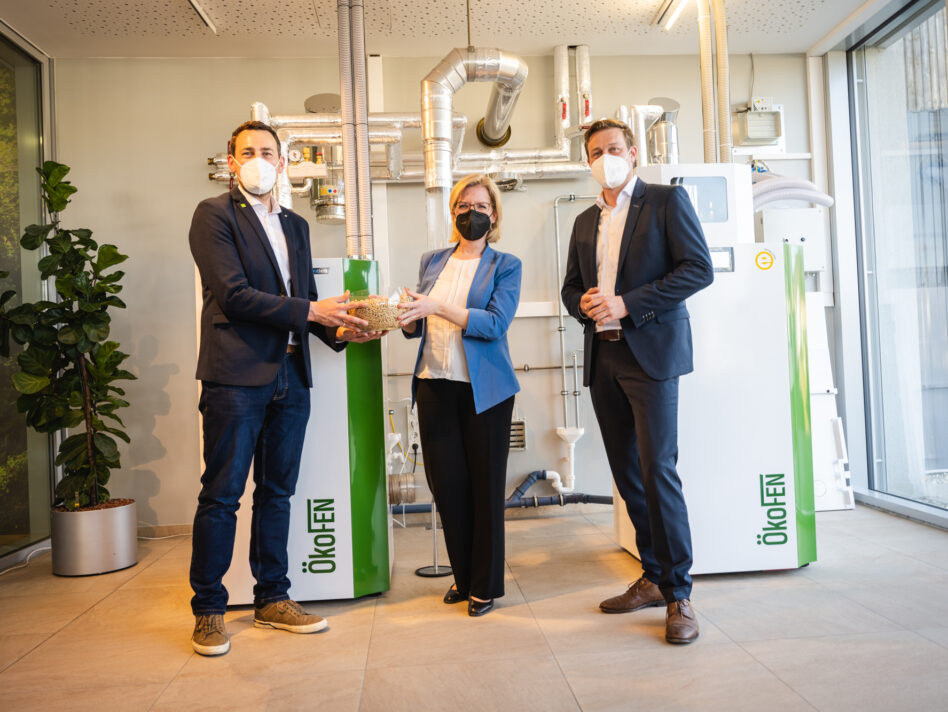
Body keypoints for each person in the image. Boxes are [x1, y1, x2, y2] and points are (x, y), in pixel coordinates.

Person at [188, 120, 383, 656]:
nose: (257, 158)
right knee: (222, 496)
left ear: (281, 163)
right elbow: (234, 296)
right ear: (230, 161)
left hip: (291, 378)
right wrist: (313, 310)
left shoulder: (296, 226)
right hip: (236, 378)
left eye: (267, 152)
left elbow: (309, 302)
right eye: (246, 151)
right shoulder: (214, 215)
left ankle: (272, 597)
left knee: (278, 493)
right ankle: (208, 609)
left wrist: (344, 327)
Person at [561, 119, 713, 644]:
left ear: (633, 153)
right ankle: (651, 576)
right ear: (588, 161)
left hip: (651, 355)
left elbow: (698, 269)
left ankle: (679, 596)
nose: (607, 156)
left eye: (615, 148)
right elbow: (571, 286)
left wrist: (628, 303)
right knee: (627, 476)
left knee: (658, 472)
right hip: (603, 358)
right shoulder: (584, 220)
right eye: (597, 151)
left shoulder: (667, 202)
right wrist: (582, 304)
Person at [398, 174, 521, 617]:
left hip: (484, 391)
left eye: (481, 206)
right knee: (447, 488)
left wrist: (435, 307)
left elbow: (493, 324)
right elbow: (420, 324)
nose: (472, 213)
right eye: (464, 206)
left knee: (485, 489)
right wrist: (407, 316)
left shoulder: (505, 264)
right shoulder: (433, 260)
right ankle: (463, 575)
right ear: (453, 212)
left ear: (494, 214)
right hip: (434, 385)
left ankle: (485, 586)